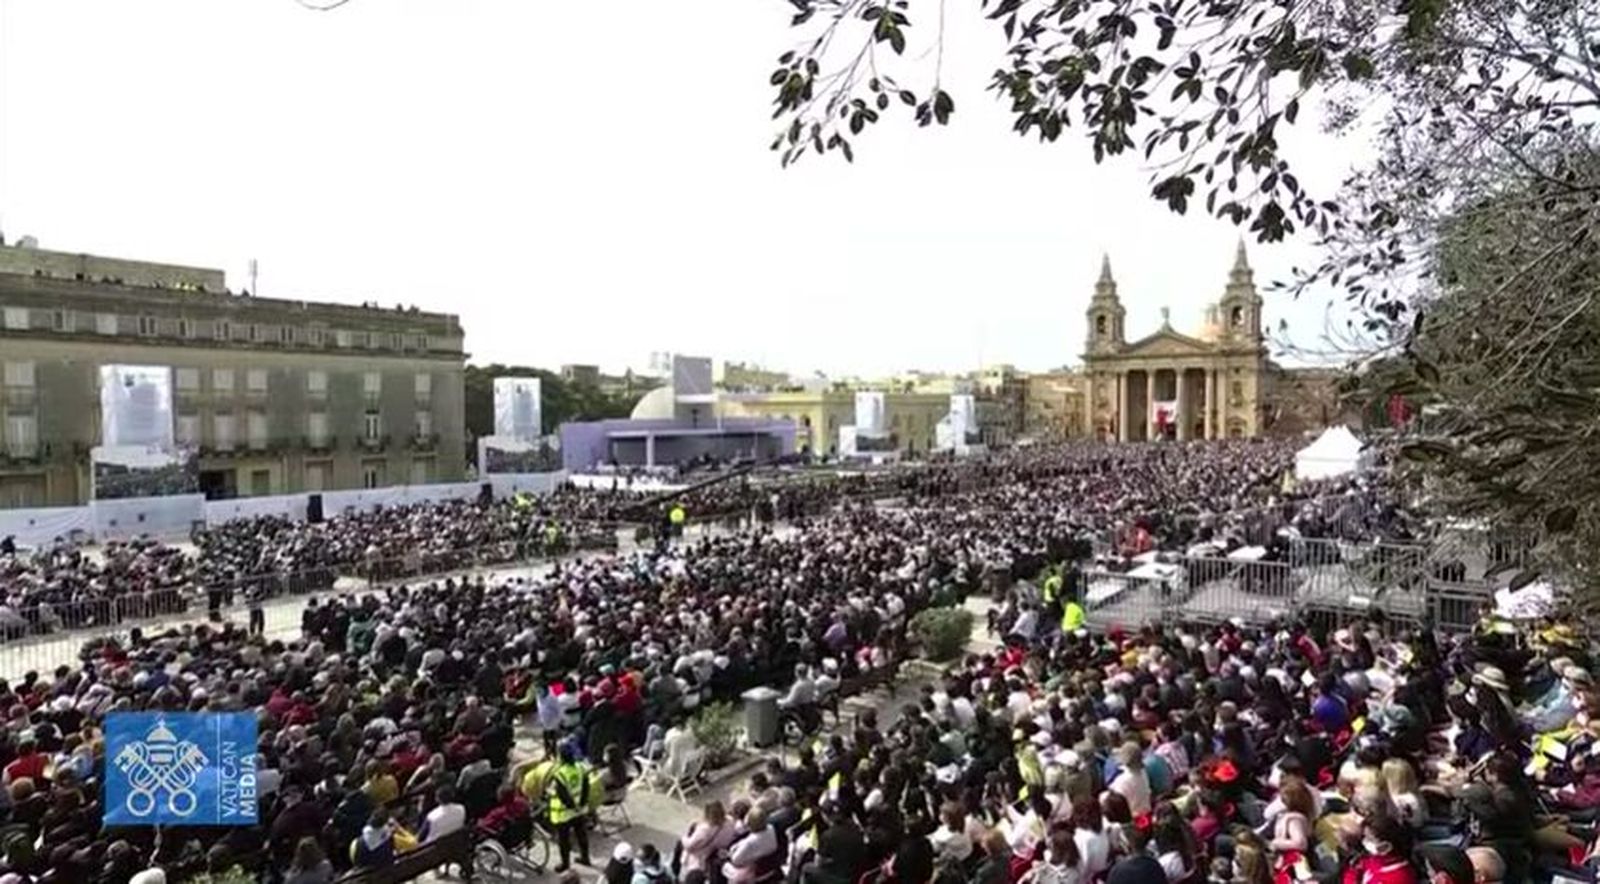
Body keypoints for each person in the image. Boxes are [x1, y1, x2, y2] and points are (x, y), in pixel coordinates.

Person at [546, 742, 593, 872]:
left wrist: (572, 806)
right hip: (580, 810)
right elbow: (586, 787)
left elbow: (563, 796)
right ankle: (585, 857)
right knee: (581, 834)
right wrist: (581, 804)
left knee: (564, 840)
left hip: (564, 813)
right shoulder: (580, 767)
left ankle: (565, 864)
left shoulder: (560, 774)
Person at [681, 801, 738, 876]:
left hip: (702, 856)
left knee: (681, 843)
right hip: (718, 851)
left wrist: (684, 836)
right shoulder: (730, 821)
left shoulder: (704, 829)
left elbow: (689, 846)